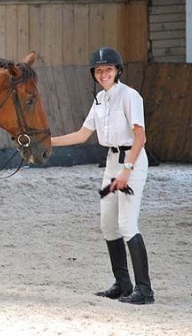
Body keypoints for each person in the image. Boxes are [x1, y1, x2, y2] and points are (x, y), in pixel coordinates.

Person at [50, 47, 154, 305]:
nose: (103, 74)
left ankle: (145, 290)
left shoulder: (130, 96)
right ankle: (123, 283)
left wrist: (127, 171)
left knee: (127, 224)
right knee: (108, 225)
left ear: (117, 70)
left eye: (108, 69)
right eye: (98, 70)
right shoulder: (99, 100)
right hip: (110, 163)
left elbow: (140, 136)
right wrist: (46, 142)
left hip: (132, 161)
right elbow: (81, 135)